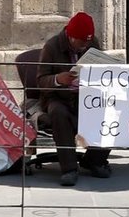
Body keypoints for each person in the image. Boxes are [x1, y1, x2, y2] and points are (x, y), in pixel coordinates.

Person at [35, 11, 112, 186]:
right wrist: (57, 79)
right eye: (81, 42)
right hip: (58, 97)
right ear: (70, 36)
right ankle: (69, 169)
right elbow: (40, 80)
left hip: (86, 96)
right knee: (58, 113)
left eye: (87, 42)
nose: (85, 46)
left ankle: (94, 160)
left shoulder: (92, 44)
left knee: (110, 111)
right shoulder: (52, 47)